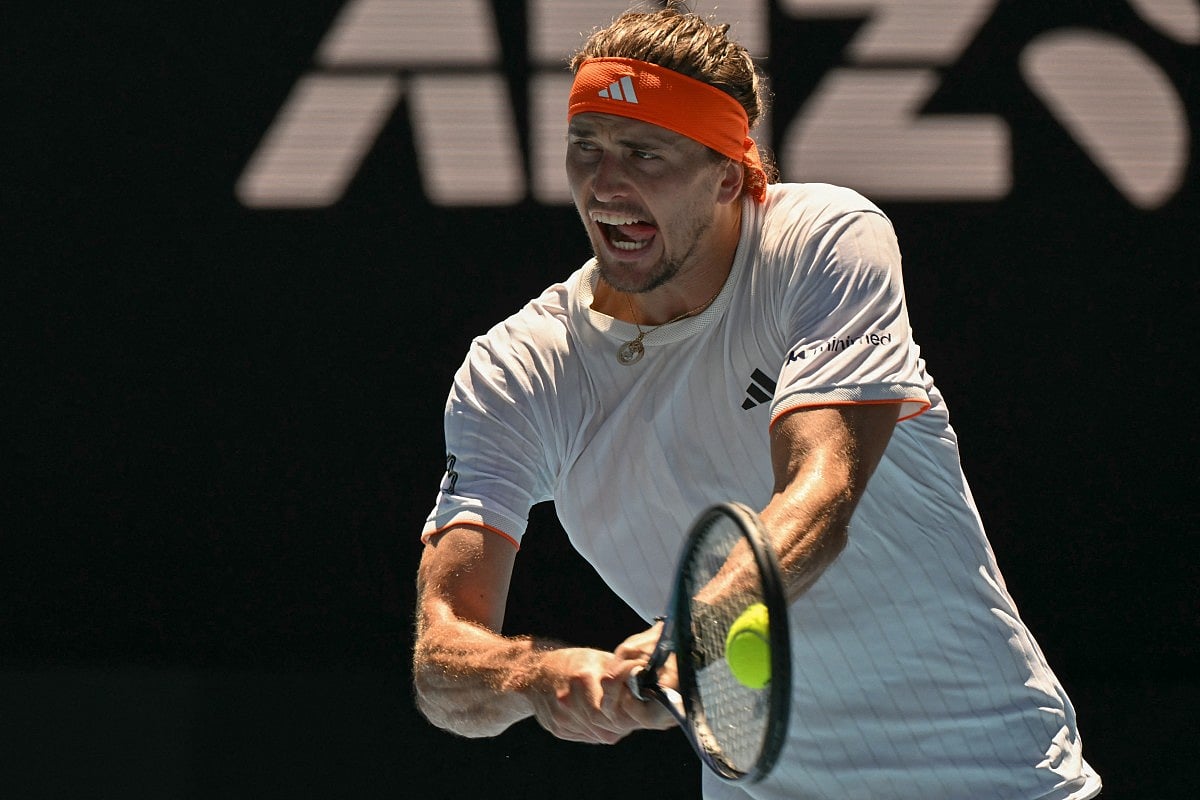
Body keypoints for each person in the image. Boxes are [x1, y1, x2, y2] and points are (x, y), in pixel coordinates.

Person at [412, 5, 1101, 799]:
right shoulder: (516, 372)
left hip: (994, 778)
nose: (606, 183)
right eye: (586, 147)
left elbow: (820, 496)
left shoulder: (821, 243)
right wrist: (534, 675)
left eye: (645, 153)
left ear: (728, 176)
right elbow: (441, 658)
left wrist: (696, 631)